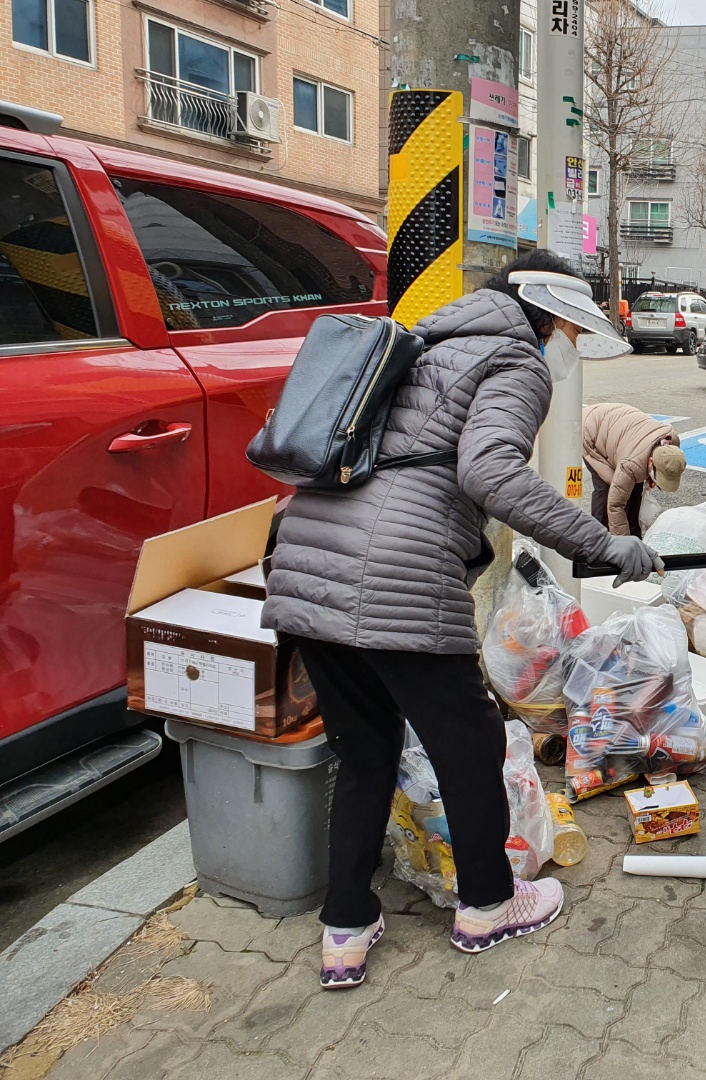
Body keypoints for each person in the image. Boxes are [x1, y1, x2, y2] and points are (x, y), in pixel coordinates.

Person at [262, 249, 663, 990]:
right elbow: (491, 472)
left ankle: (345, 929)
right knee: (470, 743)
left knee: (365, 753)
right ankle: (488, 905)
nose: (570, 347)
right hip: (393, 575)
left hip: (305, 561)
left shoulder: (424, 339)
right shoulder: (516, 358)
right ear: (549, 315)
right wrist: (603, 543)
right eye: (570, 331)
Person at [582, 402, 687, 536]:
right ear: (650, 462)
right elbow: (616, 506)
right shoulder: (632, 464)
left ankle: (635, 535)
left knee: (634, 487)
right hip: (591, 431)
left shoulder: (673, 442)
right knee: (607, 489)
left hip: (618, 424)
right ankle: (598, 537)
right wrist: (624, 546)